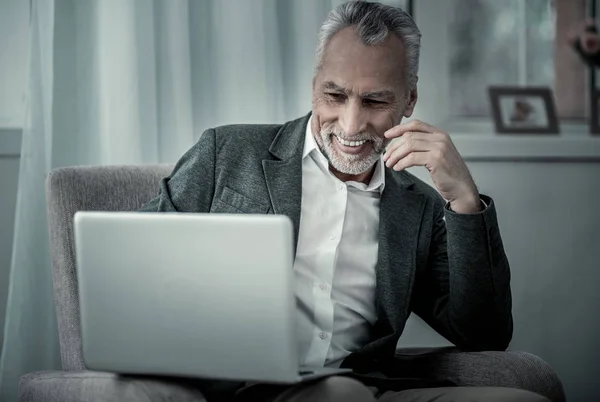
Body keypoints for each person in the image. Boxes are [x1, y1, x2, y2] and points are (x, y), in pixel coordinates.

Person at [140, 2, 560, 401]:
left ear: (409, 101)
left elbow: (484, 333)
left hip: (364, 385)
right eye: (335, 96)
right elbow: (140, 263)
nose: (351, 124)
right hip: (240, 387)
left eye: (375, 101)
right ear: (314, 86)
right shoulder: (226, 152)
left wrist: (464, 200)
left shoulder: (422, 208)